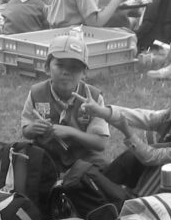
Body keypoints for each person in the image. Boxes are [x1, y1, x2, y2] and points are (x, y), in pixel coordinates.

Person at [87, 78, 171, 197]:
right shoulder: (167, 117)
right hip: (166, 169)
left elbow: (151, 157)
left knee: (138, 154)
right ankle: (97, 189)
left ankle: (98, 191)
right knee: (133, 156)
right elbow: (138, 116)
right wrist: (100, 111)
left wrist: (127, 131)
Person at [20, 33, 109, 171]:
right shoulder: (36, 93)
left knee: (102, 167)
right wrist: (32, 128)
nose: (66, 72)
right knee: (24, 160)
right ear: (47, 68)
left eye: (74, 67)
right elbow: (26, 131)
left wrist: (71, 132)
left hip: (82, 156)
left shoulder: (93, 97)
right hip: (47, 153)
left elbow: (100, 143)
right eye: (60, 65)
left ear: (84, 73)